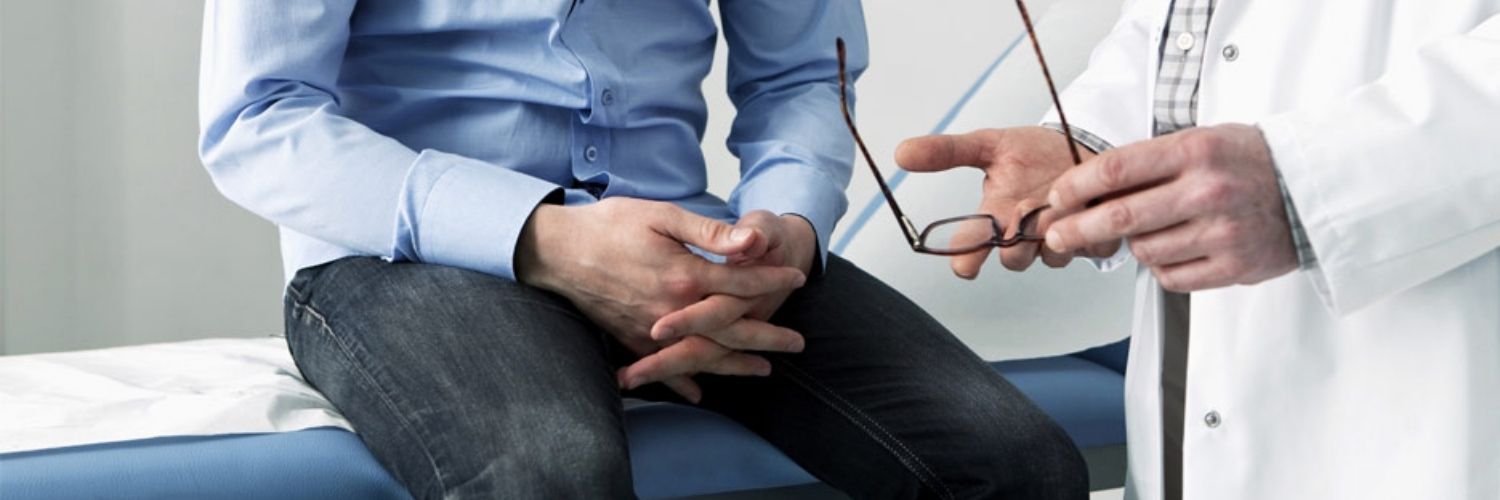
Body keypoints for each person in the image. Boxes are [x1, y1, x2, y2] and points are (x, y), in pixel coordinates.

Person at [198, 1, 1087, 498]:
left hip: (696, 243)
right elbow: (258, 120)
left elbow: (801, 75)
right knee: (552, 474)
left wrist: (778, 233)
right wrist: (544, 237)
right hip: (405, 256)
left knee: (1016, 461)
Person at [896, 1, 1500, 499]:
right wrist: (1091, 140)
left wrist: (1306, 181)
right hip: (1193, 379)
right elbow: (1179, 27)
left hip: (1434, 355)